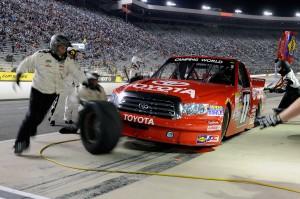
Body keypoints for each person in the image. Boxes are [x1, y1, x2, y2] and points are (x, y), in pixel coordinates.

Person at [14, 34, 86, 154]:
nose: (64, 50)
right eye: (62, 47)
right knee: (32, 116)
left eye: (65, 48)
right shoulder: (41, 55)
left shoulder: (67, 61)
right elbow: (27, 63)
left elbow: (77, 72)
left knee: (40, 117)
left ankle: (32, 128)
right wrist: (19, 73)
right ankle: (21, 142)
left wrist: (86, 82)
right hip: (37, 91)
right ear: (54, 46)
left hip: (52, 93)